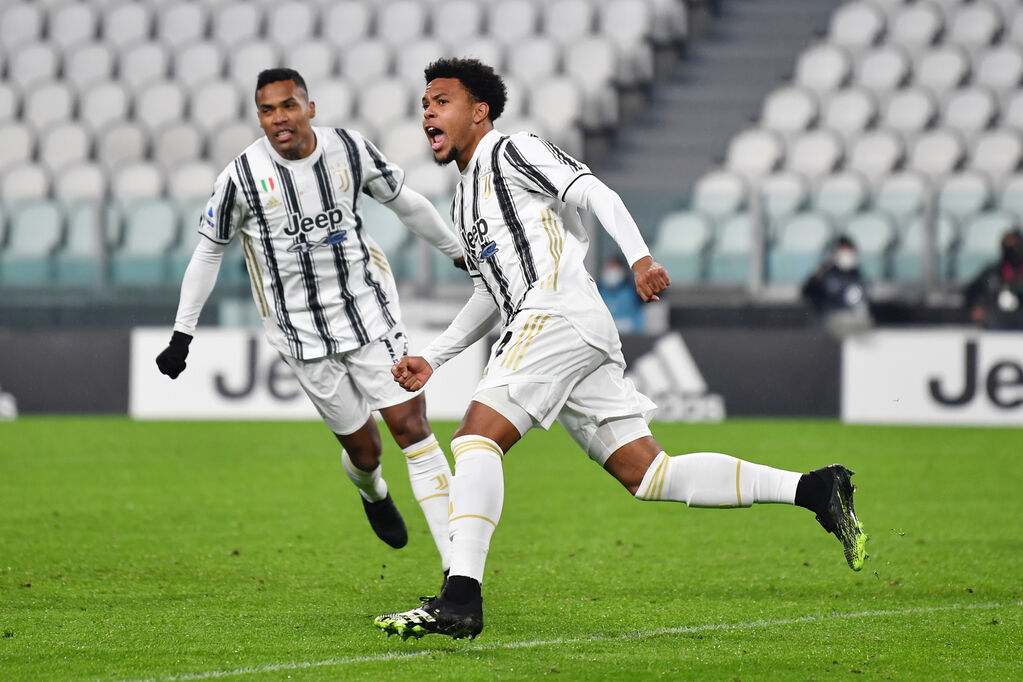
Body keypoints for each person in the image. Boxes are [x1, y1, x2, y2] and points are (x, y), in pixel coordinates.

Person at [372, 58, 868, 642]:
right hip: (568, 328)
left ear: (479, 111)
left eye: (442, 100)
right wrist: (436, 356)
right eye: (424, 103)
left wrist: (639, 257)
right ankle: (815, 488)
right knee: (650, 473)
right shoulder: (463, 200)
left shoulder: (515, 152)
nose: (428, 110)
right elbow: (489, 292)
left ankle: (460, 598)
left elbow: (596, 194)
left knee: (476, 439)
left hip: (554, 314)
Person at [155, 68, 464, 579]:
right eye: (267, 110)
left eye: (288, 105)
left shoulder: (349, 149)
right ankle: (372, 491)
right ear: (260, 117)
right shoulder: (241, 177)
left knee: (412, 428)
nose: (279, 118)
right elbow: (208, 254)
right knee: (365, 452)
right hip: (301, 336)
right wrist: (181, 334)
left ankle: (458, 572)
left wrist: (457, 253)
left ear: (310, 107)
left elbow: (406, 203)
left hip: (369, 314)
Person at [801, 235, 872, 337]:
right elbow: (807, 292)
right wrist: (818, 275)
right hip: (829, 322)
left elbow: (865, 298)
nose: (847, 254)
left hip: (855, 322)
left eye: (849, 250)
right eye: (843, 250)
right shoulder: (826, 274)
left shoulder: (858, 276)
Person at [964, 228, 1023, 330]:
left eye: (1015, 242)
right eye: (1007, 242)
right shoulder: (992, 273)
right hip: (995, 330)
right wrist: (976, 308)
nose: (1011, 246)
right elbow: (971, 292)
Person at [598, 255, 645, 333]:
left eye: (615, 268)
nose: (612, 272)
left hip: (632, 339)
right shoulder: (597, 291)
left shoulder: (633, 291)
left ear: (622, 270)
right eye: (609, 268)